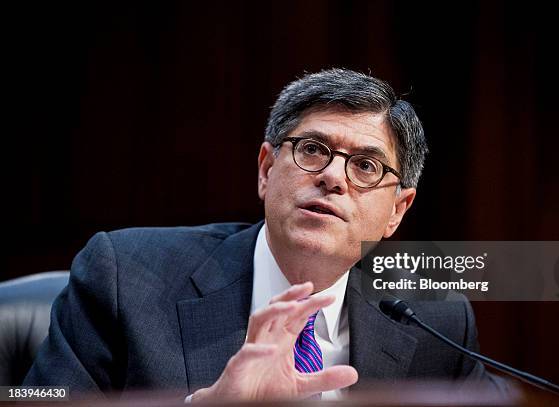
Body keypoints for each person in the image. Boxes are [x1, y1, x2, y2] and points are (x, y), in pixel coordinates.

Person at [24, 69, 501, 401]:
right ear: (266, 170)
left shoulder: (435, 318)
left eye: (366, 166)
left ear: (397, 211)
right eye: (313, 150)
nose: (334, 177)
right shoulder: (125, 276)